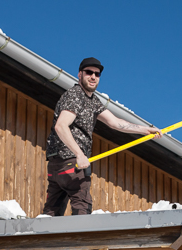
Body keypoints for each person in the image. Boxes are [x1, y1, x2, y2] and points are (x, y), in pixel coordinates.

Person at [43, 58, 162, 215]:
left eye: (97, 74)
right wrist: (79, 155)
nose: (93, 76)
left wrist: (145, 130)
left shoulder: (92, 100)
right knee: (82, 207)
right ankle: (80, 238)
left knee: (52, 212)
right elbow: (61, 126)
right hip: (71, 163)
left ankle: (45, 237)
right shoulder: (74, 95)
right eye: (89, 72)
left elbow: (114, 122)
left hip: (58, 165)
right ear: (80, 75)